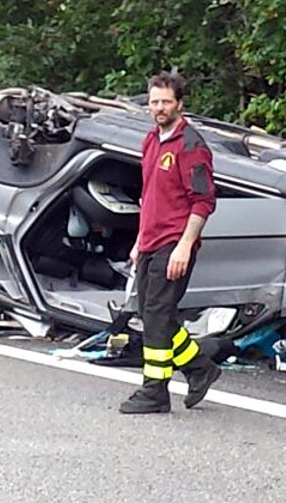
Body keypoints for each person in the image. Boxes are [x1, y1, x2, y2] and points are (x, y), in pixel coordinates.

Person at [119, 71, 221, 414]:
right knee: (153, 314)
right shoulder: (151, 140)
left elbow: (203, 202)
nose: (159, 108)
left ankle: (155, 391)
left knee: (157, 315)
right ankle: (199, 368)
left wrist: (185, 245)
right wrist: (139, 241)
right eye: (154, 102)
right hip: (150, 241)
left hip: (174, 243)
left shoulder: (191, 146)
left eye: (166, 102)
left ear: (180, 104)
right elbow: (149, 196)